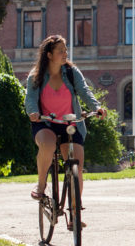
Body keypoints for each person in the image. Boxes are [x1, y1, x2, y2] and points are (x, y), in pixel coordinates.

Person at [24, 35, 106, 201]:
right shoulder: (36, 76)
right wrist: (33, 112)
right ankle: (41, 185)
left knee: (77, 166)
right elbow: (30, 98)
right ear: (49, 54)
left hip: (69, 123)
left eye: (65, 50)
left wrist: (96, 107)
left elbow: (84, 91)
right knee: (47, 145)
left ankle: (75, 214)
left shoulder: (71, 72)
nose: (65, 53)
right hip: (45, 122)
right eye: (60, 51)